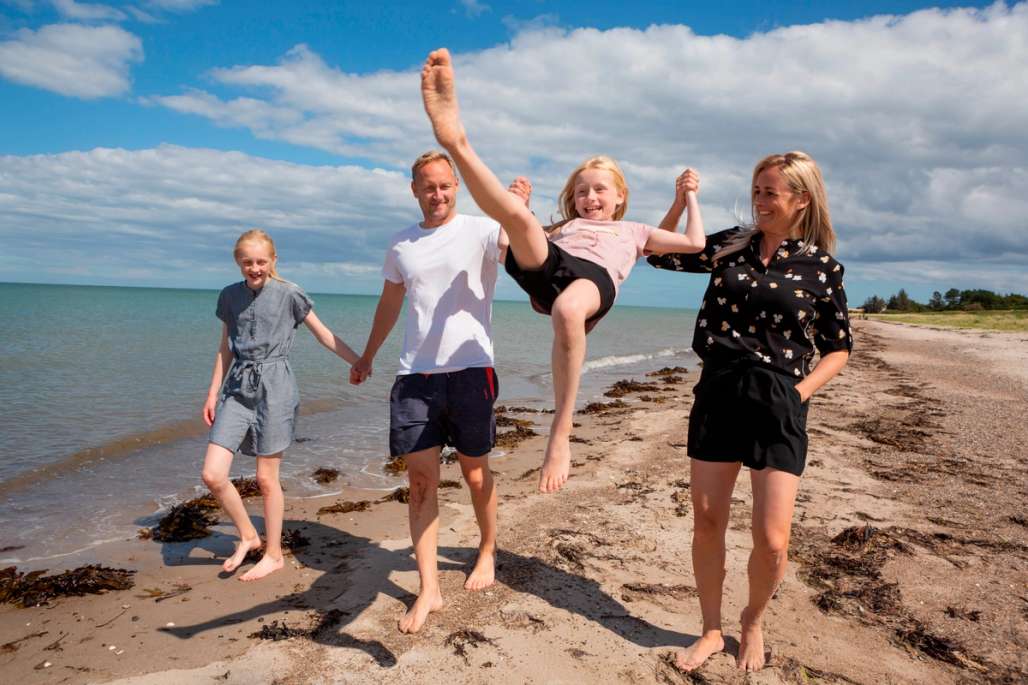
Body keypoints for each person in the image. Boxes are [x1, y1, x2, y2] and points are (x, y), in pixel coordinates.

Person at [419, 48, 706, 494]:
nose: (590, 198)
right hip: (552, 266)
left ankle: (561, 430)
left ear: (619, 197)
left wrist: (687, 197)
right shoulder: (565, 225)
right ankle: (456, 140)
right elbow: (504, 244)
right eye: (581, 191)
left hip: (594, 280)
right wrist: (520, 208)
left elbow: (693, 244)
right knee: (516, 222)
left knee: (570, 310)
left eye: (599, 190)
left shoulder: (632, 230)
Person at [648, 151, 852, 672]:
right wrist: (678, 202)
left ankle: (753, 619)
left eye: (771, 193)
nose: (760, 201)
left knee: (772, 539)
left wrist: (800, 393)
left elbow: (838, 346)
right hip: (719, 389)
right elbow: (657, 252)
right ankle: (712, 629)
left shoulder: (822, 268)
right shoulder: (729, 244)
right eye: (756, 191)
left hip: (779, 399)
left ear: (801, 199)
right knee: (709, 519)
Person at [349, 150, 528, 634]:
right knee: (422, 482)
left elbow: (524, 254)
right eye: (428, 186)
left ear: (456, 186)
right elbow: (390, 303)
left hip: (471, 370)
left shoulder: (483, 230)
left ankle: (487, 549)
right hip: (415, 377)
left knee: (474, 474)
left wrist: (516, 211)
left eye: (446, 185)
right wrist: (368, 355)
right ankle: (429, 588)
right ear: (414, 190)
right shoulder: (401, 244)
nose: (438, 194)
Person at [202, 229, 359, 582]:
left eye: (261, 261)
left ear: (273, 261)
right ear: (238, 263)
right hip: (236, 389)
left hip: (275, 389)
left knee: (265, 479)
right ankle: (247, 535)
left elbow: (322, 333)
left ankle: (273, 554)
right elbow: (224, 348)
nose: (254, 268)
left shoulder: (289, 294)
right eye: (247, 262)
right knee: (212, 474)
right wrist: (212, 393)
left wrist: (357, 361)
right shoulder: (229, 296)